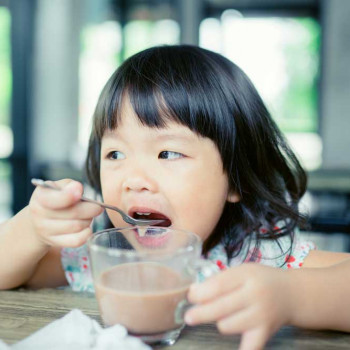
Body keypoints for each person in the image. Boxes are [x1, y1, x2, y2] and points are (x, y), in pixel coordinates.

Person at [0, 45, 349, 349]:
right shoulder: (103, 260)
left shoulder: (261, 259)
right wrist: (33, 228)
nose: (134, 180)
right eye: (115, 155)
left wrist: (291, 295)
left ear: (234, 180)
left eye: (167, 153)